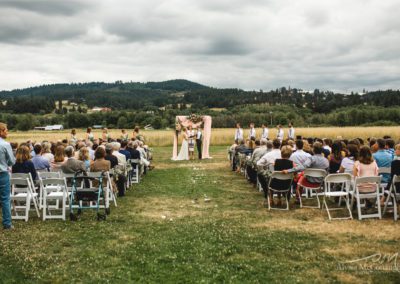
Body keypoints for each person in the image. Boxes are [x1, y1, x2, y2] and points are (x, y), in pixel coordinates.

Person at [0, 123, 15, 230]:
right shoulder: (5, 144)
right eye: (6, 130)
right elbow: (12, 161)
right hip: (2, 174)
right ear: (1, 131)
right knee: (5, 199)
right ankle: (7, 223)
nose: (7, 131)